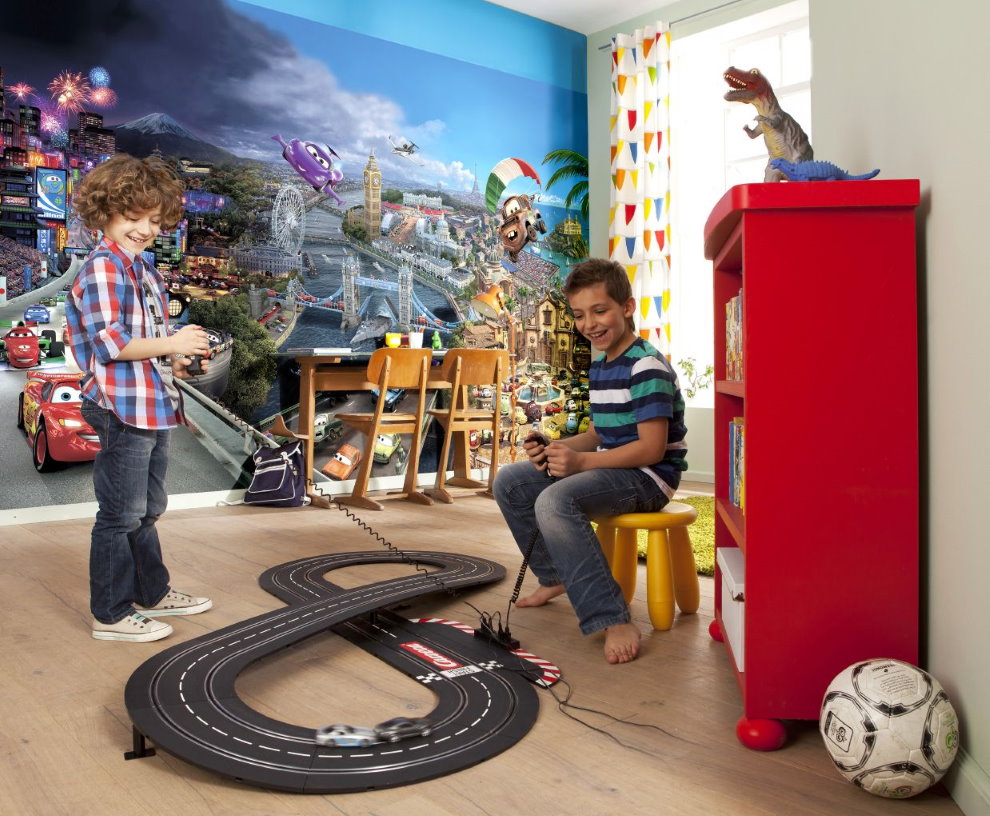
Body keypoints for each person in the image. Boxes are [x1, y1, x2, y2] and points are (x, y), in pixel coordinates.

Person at [492, 258, 687, 664]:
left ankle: (612, 617)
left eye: (600, 311)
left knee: (555, 501)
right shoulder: (601, 363)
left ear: (627, 308)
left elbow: (651, 450)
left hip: (649, 479)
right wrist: (555, 446)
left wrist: (581, 464)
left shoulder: (646, 366)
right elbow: (599, 434)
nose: (590, 324)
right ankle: (556, 576)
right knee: (510, 481)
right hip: (614, 468)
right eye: (580, 315)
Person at [65, 154, 214, 643]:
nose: (145, 229)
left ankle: (151, 590)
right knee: (120, 514)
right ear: (104, 213)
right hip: (119, 407)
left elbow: (146, 341)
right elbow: (110, 345)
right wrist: (172, 343)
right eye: (133, 218)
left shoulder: (144, 273)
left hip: (150, 402)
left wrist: (177, 358)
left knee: (148, 508)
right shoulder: (104, 268)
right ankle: (109, 614)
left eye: (154, 220)